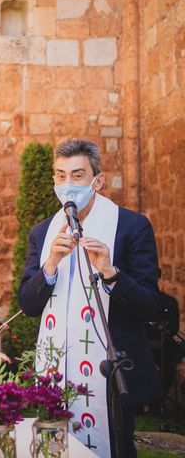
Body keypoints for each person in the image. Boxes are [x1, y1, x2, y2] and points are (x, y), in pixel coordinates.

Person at [18, 139, 161, 458]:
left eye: (78, 175)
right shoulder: (43, 233)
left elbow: (150, 306)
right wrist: (50, 265)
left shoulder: (131, 227)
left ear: (98, 180)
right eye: (60, 175)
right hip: (56, 374)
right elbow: (27, 305)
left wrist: (111, 272)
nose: (68, 184)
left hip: (109, 377)